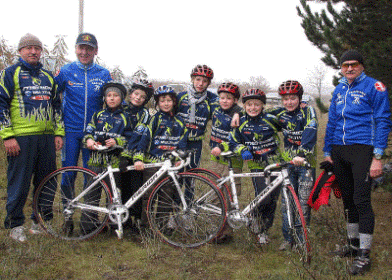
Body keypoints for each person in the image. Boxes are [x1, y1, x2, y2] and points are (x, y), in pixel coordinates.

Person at [324, 49, 391, 275]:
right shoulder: (340, 88)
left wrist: (378, 157)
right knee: (348, 199)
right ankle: (352, 245)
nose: (349, 68)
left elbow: (383, 120)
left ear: (362, 66)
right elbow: (332, 120)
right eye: (345, 65)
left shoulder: (375, 87)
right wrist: (327, 151)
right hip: (339, 150)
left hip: (363, 149)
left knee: (361, 200)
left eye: (354, 64)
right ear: (341, 68)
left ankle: (364, 255)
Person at [0, 33, 65, 242]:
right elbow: (1, 105)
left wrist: (58, 132)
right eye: (28, 48)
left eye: (37, 48)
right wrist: (7, 136)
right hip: (21, 138)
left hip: (46, 138)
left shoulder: (48, 77)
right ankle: (15, 225)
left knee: (46, 182)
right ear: (20, 51)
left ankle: (41, 222)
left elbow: (57, 106)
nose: (33, 51)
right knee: (19, 183)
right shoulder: (10, 73)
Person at [268, 80, 317, 251]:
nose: (289, 102)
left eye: (293, 98)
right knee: (287, 203)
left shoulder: (308, 111)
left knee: (303, 205)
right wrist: (239, 114)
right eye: (286, 99)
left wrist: (302, 153)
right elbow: (259, 114)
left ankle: (302, 240)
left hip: (305, 164)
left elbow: (311, 129)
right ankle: (288, 239)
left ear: (300, 98)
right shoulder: (280, 112)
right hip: (287, 165)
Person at [229, 88, 281, 245]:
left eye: (257, 104)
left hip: (274, 162)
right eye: (249, 104)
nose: (253, 108)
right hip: (256, 164)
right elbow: (233, 141)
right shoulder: (241, 122)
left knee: (272, 200)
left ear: (262, 105)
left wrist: (304, 105)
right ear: (244, 106)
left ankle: (263, 230)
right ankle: (253, 219)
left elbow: (289, 118)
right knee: (263, 198)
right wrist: (242, 149)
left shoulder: (271, 119)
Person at [55, 32, 112, 172]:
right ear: (75, 49)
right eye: (81, 48)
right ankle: (68, 195)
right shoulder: (65, 71)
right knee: (68, 173)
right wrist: (57, 129)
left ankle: (90, 195)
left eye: (89, 49)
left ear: (96, 51)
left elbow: (113, 102)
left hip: (94, 132)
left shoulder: (104, 74)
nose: (84, 52)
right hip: (70, 131)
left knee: (92, 174)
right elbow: (53, 98)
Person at [132, 85, 188, 227]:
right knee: (148, 197)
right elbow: (144, 140)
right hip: (152, 164)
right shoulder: (154, 119)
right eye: (162, 101)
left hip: (169, 167)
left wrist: (179, 159)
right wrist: (138, 158)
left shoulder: (180, 122)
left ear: (174, 102)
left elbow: (182, 144)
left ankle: (161, 228)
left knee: (166, 198)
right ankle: (145, 227)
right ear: (157, 103)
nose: (166, 103)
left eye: (169, 100)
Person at [81, 82, 131, 234]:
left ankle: (115, 225)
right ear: (105, 98)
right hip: (95, 160)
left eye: (115, 96)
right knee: (91, 194)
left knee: (114, 194)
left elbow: (130, 137)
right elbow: (88, 131)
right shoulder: (98, 114)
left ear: (121, 98)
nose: (112, 98)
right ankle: (87, 226)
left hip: (114, 162)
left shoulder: (125, 117)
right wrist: (89, 140)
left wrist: (118, 142)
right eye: (109, 96)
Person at [209, 82, 243, 243]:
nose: (224, 101)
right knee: (216, 192)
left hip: (232, 159)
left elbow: (237, 137)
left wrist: (237, 112)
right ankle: (215, 228)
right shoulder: (215, 110)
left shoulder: (239, 115)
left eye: (229, 98)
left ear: (235, 100)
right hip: (216, 158)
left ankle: (227, 231)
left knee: (231, 193)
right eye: (222, 97)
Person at [119, 78, 154, 228]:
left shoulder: (145, 113)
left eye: (142, 97)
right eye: (136, 94)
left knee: (136, 187)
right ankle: (123, 218)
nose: (138, 98)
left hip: (136, 153)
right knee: (122, 186)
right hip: (119, 151)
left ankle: (136, 218)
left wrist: (129, 154)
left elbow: (138, 135)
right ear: (131, 94)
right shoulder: (122, 108)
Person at [176, 64, 219, 170]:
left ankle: (190, 187)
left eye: (205, 81)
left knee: (192, 171)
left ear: (209, 83)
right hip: (178, 139)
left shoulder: (212, 99)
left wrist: (237, 113)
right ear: (192, 79)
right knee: (177, 173)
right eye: (198, 79)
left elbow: (226, 109)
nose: (200, 84)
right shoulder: (181, 96)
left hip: (196, 141)